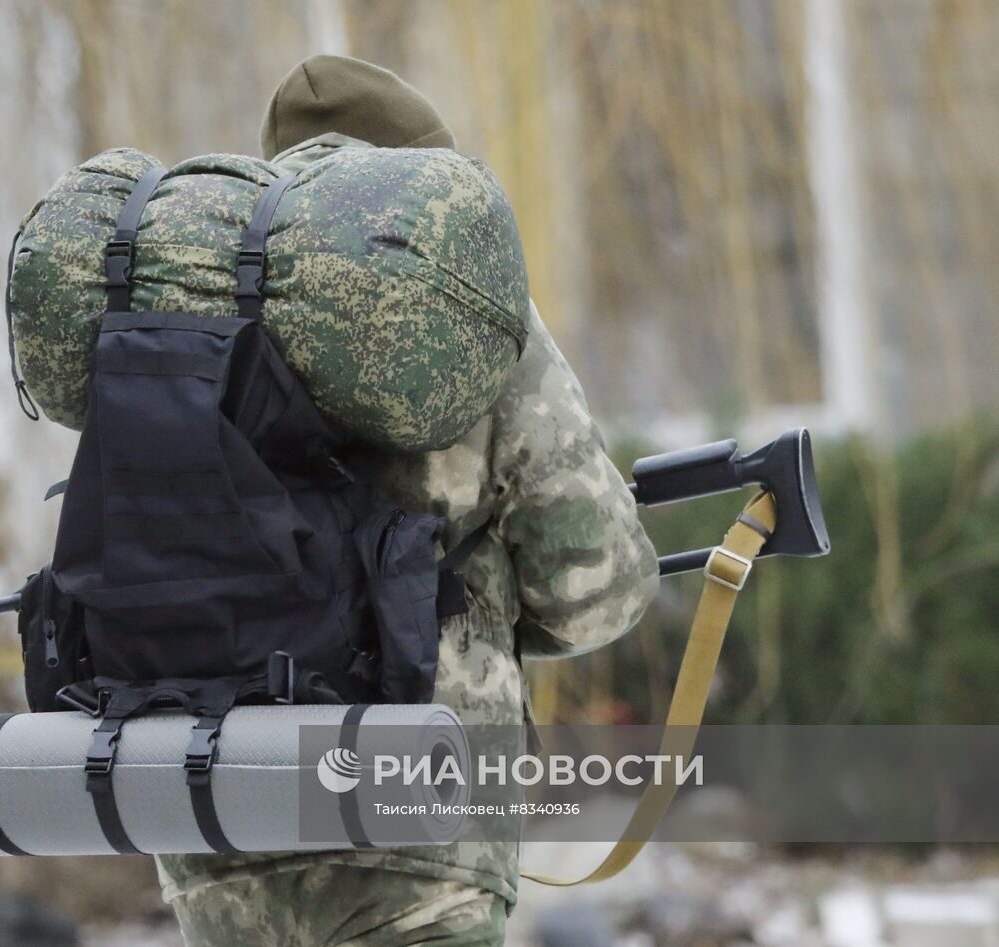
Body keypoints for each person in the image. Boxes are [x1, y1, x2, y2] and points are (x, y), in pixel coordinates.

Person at [154, 55, 660, 946]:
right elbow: (595, 588)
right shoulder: (459, 300)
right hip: (417, 836)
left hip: (215, 826)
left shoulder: (191, 298)